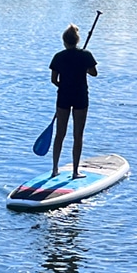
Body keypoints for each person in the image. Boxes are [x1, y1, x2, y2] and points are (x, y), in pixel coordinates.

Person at [49, 23, 99, 179]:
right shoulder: (86, 55)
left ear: (64, 41)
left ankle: (55, 169)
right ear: (77, 40)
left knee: (60, 134)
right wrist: (84, 66)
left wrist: (64, 86)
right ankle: (75, 171)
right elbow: (94, 73)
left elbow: (54, 80)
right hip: (80, 97)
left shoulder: (58, 57)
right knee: (78, 135)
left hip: (63, 96)